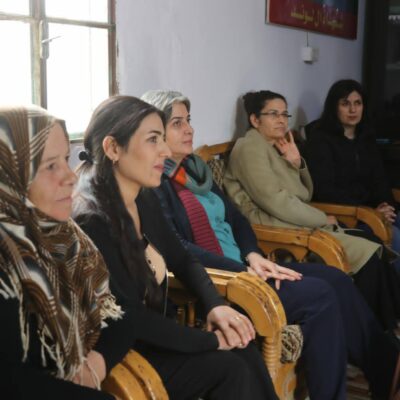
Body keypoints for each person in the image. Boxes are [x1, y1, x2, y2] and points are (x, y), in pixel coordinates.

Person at [141, 89, 400, 400]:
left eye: (189, 120)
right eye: (178, 123)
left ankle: (386, 367)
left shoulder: (196, 170)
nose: (189, 129)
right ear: (155, 134)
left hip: (248, 263)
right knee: (320, 296)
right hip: (228, 280)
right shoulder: (155, 183)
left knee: (337, 279)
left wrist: (253, 255)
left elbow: (238, 220)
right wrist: (243, 269)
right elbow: (178, 247)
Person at [72, 95, 278, 400]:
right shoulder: (92, 220)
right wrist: (210, 341)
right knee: (230, 367)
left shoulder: (143, 197)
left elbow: (183, 259)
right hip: (127, 351)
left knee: (243, 347)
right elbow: (130, 318)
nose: (166, 151)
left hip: (158, 332)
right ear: (113, 148)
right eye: (153, 139)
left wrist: (215, 305)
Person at [222, 89, 400, 332]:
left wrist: (296, 163)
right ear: (255, 119)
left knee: (373, 243)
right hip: (273, 226)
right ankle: (376, 330)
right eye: (273, 114)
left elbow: (305, 194)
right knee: (367, 255)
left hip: (292, 219)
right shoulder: (250, 147)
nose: (281, 120)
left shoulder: (275, 146)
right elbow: (275, 200)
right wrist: (321, 218)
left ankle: (387, 324)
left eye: (284, 114)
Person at [0, 106, 133, 400]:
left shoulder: (66, 235)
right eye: (50, 166)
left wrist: (97, 363)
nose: (71, 176)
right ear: (9, 174)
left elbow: (123, 311)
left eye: (65, 159)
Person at [304, 79, 400, 272]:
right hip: (347, 215)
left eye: (358, 103)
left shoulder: (366, 136)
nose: (353, 110)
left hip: (373, 211)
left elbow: (379, 179)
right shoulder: (320, 140)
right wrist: (372, 212)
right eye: (345, 103)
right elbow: (325, 190)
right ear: (334, 107)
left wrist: (387, 207)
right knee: (396, 237)